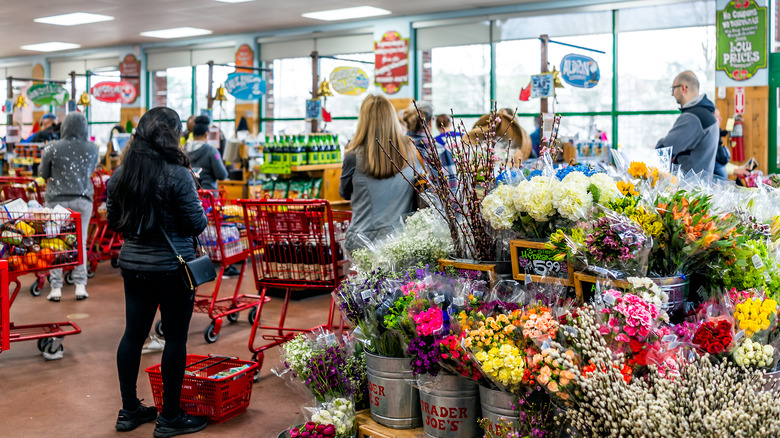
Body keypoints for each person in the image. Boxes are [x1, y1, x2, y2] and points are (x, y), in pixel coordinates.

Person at [108, 107, 208, 437]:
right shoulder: (178, 174)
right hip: (172, 269)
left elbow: (113, 222)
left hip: (133, 266)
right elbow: (196, 224)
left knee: (132, 336)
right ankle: (170, 417)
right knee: (175, 338)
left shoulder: (122, 174)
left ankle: (128, 410)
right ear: (173, 134)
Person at [340, 95, 420, 252]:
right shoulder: (410, 150)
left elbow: (344, 193)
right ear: (392, 118)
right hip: (403, 240)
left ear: (363, 120)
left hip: (363, 241)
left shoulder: (353, 155)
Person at [39, 112, 98, 302]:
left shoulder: (52, 147)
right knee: (80, 241)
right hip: (83, 200)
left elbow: (43, 173)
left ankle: (55, 288)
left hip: (56, 200)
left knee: (54, 241)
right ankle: (80, 286)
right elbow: (90, 170)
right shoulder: (92, 148)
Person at [656, 71, 718, 174]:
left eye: (673, 89)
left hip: (688, 186)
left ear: (683, 88)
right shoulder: (706, 113)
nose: (672, 94)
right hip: (699, 183)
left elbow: (665, 149)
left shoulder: (693, 117)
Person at [403, 103, 457, 190]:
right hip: (427, 202)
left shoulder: (393, 147)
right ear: (431, 121)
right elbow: (452, 189)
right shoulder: (439, 150)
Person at [184, 115, 228, 191]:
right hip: (208, 196)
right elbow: (222, 175)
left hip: (189, 194)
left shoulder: (184, 149)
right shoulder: (212, 151)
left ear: (193, 133)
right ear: (206, 134)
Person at [713, 108, 731, 179]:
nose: (721, 119)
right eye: (717, 116)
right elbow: (716, 165)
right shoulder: (711, 140)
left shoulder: (718, 136)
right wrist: (736, 170)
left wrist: (738, 168)